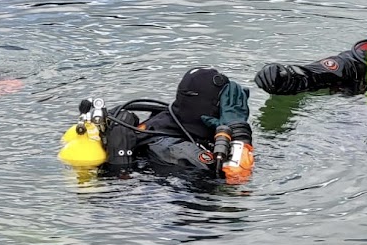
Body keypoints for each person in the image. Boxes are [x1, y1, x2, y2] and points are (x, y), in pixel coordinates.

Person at [58, 67, 255, 184]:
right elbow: (237, 182)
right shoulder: (179, 151)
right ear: (214, 108)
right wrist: (237, 127)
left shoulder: (165, 119)